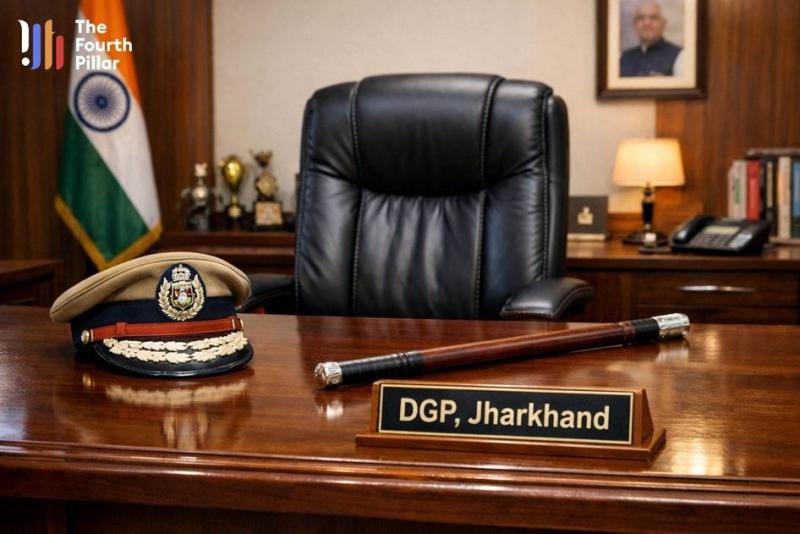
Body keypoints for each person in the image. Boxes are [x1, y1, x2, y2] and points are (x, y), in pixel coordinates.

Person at [620, 1, 683, 77]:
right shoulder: (623, 58)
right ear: (634, 24)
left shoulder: (679, 56)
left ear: (663, 24)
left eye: (653, 18)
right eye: (641, 18)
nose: (646, 23)